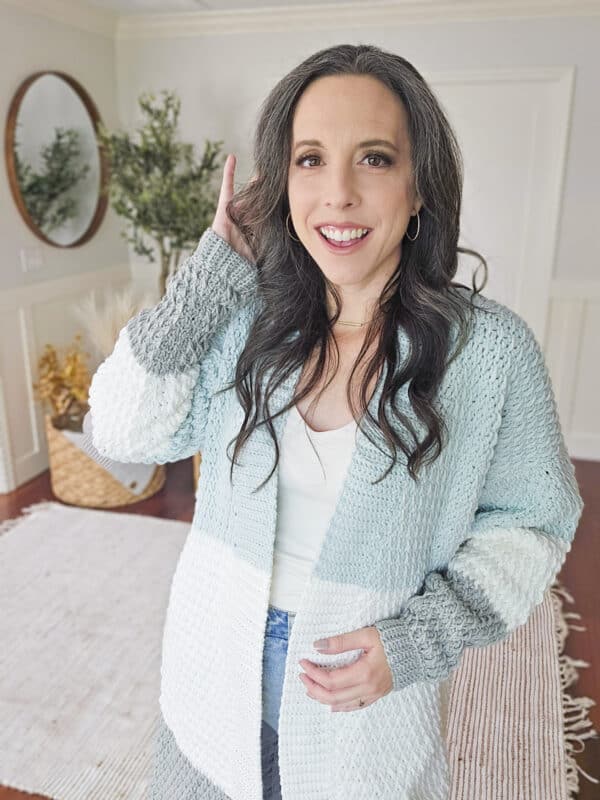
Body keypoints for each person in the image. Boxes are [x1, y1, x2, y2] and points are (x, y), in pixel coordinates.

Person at [87, 44, 584, 800]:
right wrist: (214, 267)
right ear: (281, 183)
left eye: (375, 158)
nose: (339, 193)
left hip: (364, 712)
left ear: (420, 187)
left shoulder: (489, 353)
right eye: (310, 160)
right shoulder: (243, 318)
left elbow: (536, 520)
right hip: (210, 671)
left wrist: (420, 639)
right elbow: (120, 433)